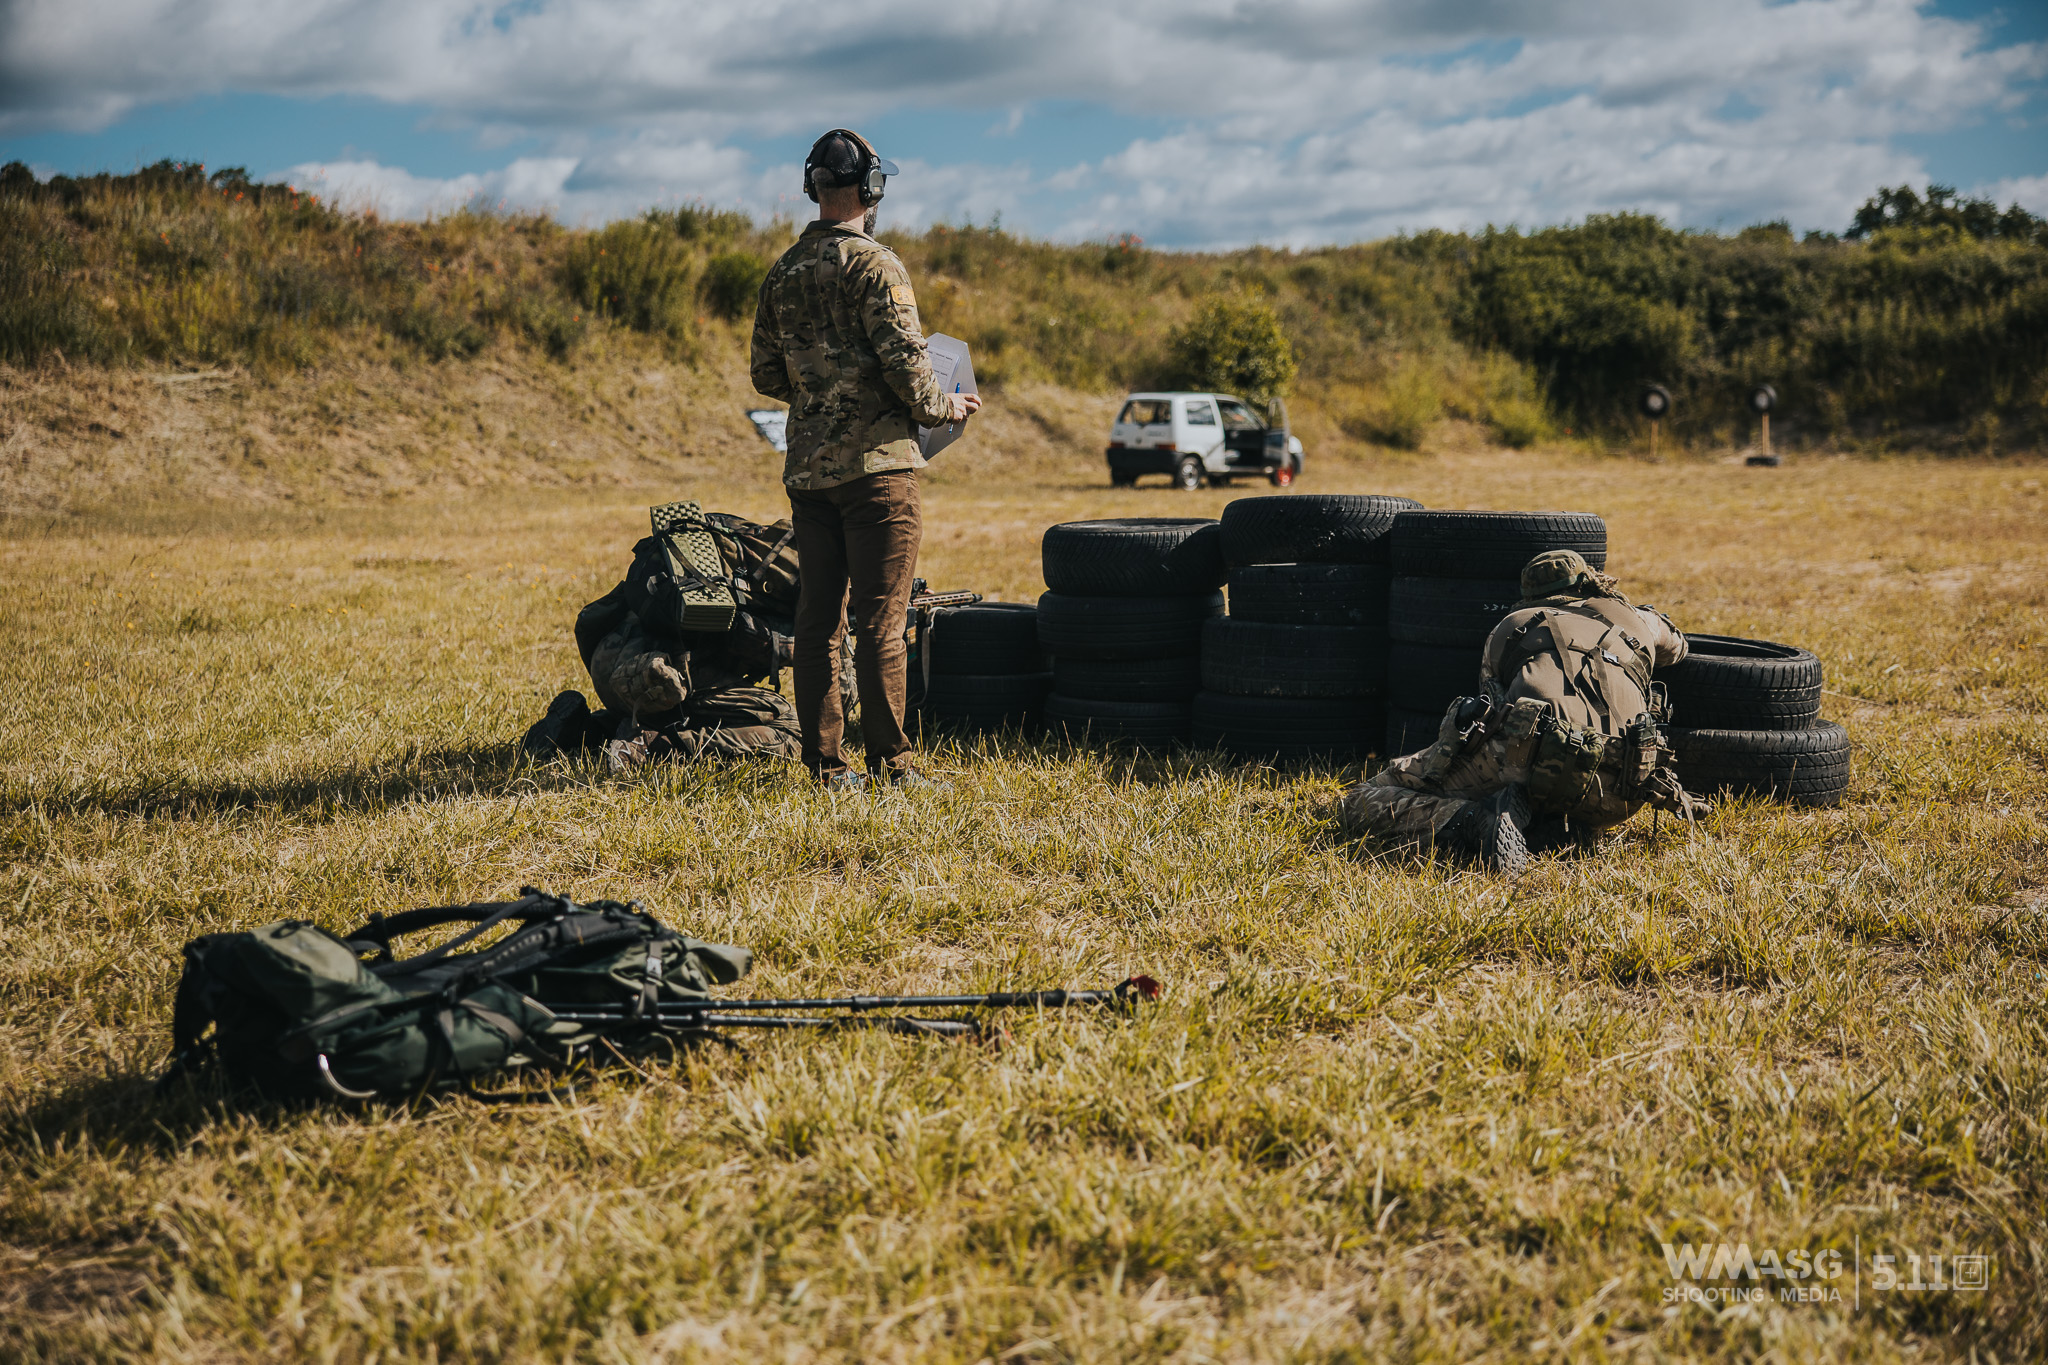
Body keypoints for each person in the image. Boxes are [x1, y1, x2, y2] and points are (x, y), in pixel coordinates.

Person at [749, 128, 981, 791]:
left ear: (812, 187)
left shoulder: (783, 273)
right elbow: (912, 374)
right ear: (872, 188)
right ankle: (894, 765)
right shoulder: (878, 266)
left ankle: (826, 767)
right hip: (880, 472)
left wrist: (821, 387)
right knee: (881, 621)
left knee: (817, 622)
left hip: (809, 473)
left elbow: (767, 374)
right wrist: (948, 406)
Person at [1342, 549, 1710, 874]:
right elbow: (1678, 648)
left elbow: (1493, 706)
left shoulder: (1509, 628)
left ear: (1529, 596)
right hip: (1628, 789)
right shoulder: (1635, 619)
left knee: (1362, 799)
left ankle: (1473, 821)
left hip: (1533, 771)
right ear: (1589, 583)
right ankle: (1561, 824)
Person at [521, 578, 800, 772]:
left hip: (611, 656)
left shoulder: (736, 549)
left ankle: (580, 731)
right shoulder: (807, 581)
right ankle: (653, 748)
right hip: (660, 669)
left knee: (711, 702)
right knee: (795, 730)